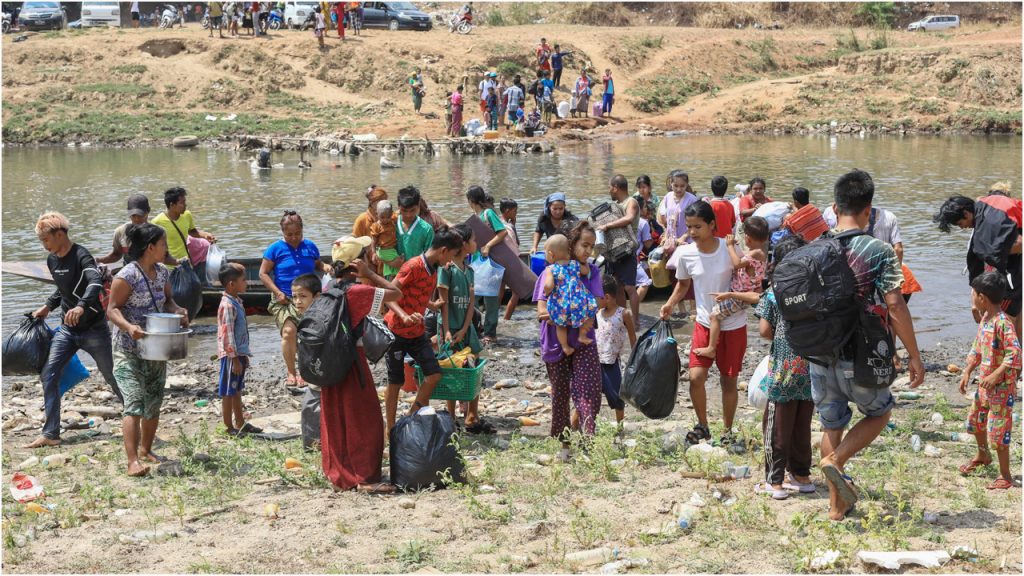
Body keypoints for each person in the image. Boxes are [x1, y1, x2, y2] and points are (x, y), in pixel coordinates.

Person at [810, 169, 925, 521]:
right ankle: (836, 460)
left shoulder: (815, 248)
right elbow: (895, 305)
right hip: (859, 353)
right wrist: (913, 356)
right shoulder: (879, 251)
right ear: (869, 209)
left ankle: (835, 508)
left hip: (818, 352)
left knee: (832, 424)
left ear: (834, 206)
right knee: (880, 411)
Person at [25, 213, 124, 449]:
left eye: (46, 239)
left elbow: (94, 283)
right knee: (49, 374)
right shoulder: (52, 260)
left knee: (111, 375)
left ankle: (137, 416)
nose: (44, 245)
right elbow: (63, 290)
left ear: (60, 235)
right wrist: (47, 306)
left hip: (94, 329)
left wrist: (81, 307)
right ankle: (51, 434)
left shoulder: (81, 255)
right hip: (67, 331)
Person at [659, 202, 747, 453]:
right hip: (704, 323)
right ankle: (702, 425)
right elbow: (683, 285)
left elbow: (745, 276)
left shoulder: (728, 248)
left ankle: (728, 431)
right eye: (689, 227)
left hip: (733, 323)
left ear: (712, 225)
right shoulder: (686, 253)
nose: (693, 232)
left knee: (728, 381)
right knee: (696, 377)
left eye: (698, 226)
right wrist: (669, 304)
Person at [106, 224, 190, 476]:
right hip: (128, 348)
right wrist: (129, 327)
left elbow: (168, 301)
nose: (167, 249)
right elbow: (111, 309)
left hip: (156, 347)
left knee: (154, 400)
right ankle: (132, 461)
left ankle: (146, 449)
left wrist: (178, 311)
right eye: (164, 244)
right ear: (150, 247)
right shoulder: (127, 275)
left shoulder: (163, 273)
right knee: (133, 402)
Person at [320, 236, 403, 494]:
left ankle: (340, 475)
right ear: (358, 263)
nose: (371, 257)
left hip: (329, 362)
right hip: (352, 362)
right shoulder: (358, 292)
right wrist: (372, 274)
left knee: (336, 418)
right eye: (367, 255)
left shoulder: (328, 288)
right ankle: (365, 478)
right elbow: (397, 293)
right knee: (365, 420)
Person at [750, 235, 815, 500]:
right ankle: (802, 476)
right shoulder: (815, 290)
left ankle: (774, 482)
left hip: (785, 368)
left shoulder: (775, 292)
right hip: (812, 367)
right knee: (802, 423)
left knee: (776, 423)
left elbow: (765, 330)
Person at [533, 221, 604, 461]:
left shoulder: (591, 272)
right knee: (560, 395)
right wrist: (564, 314)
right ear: (571, 245)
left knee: (589, 392)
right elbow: (541, 309)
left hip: (584, 341)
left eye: (592, 247)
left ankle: (588, 440)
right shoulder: (548, 272)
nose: (588, 252)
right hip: (555, 342)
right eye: (584, 245)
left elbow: (597, 304)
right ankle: (564, 446)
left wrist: (565, 314)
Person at [383, 227, 464, 432]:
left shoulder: (434, 269)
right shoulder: (413, 266)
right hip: (396, 331)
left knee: (434, 375)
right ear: (443, 251)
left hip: (417, 331)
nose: (450, 262)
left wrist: (430, 305)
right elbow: (389, 294)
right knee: (396, 382)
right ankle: (390, 428)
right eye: (452, 256)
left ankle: (410, 417)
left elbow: (414, 292)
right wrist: (403, 315)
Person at [958, 271, 1020, 490]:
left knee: (998, 430)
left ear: (982, 297)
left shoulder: (1003, 323)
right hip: (984, 386)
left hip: (1001, 389)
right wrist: (967, 370)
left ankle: (1005, 475)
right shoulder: (985, 319)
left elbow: (1015, 354)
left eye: (973, 293)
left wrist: (996, 374)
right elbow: (978, 348)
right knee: (976, 422)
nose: (972, 297)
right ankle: (982, 456)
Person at [934, 191, 1022, 337]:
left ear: (966, 213)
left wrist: (997, 251)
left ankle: (1008, 354)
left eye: (959, 223)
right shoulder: (982, 208)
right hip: (1012, 264)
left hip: (1014, 268)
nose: (961, 227)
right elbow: (976, 262)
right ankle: (1017, 353)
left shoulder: (991, 222)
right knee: (1015, 313)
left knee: (1008, 315)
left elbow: (1019, 243)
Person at [258, 210, 330, 390]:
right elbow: (263, 273)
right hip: (285, 298)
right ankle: (291, 372)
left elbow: (317, 264)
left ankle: (307, 370)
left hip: (310, 298)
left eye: (297, 233)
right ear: (282, 232)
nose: (294, 238)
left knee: (310, 335)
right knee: (289, 332)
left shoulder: (310, 247)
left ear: (302, 230)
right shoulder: (275, 249)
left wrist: (325, 266)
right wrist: (277, 292)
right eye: (289, 234)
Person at [438, 224, 493, 434]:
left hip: (466, 327)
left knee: (474, 366)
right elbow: (443, 303)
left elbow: (472, 303)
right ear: (463, 244)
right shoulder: (447, 270)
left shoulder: (469, 271)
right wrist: (448, 331)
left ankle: (472, 414)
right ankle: (451, 416)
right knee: (452, 371)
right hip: (450, 327)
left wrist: (465, 327)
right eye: (473, 241)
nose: (476, 244)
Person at [694, 217, 769, 359]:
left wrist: (729, 245)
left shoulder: (755, 253)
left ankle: (711, 348)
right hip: (742, 292)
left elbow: (736, 263)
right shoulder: (760, 253)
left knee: (714, 316)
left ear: (747, 238)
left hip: (740, 297)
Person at [216, 262, 260, 436]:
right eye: (243, 280)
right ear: (231, 284)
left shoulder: (236, 301)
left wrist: (243, 355)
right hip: (230, 356)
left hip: (238, 353)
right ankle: (228, 426)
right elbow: (227, 335)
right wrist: (234, 358)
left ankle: (240, 422)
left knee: (236, 388)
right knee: (228, 391)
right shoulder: (227, 305)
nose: (246, 283)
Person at [540, 235, 598, 357]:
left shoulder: (550, 269)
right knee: (589, 312)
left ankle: (565, 347)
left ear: (551, 254)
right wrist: (586, 265)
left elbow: (549, 285)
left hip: (561, 303)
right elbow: (586, 272)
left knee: (560, 326)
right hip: (578, 301)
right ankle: (582, 336)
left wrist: (546, 291)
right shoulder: (575, 264)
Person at [596, 175, 641, 323]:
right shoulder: (615, 205)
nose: (609, 191)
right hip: (613, 252)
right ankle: (623, 320)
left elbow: (628, 218)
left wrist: (607, 225)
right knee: (617, 287)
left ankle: (635, 321)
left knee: (629, 287)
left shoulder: (631, 202)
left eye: (610, 187)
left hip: (627, 250)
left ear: (615, 187)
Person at [466, 186, 507, 344]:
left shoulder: (488, 213)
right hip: (476, 262)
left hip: (490, 262)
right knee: (473, 297)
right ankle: (476, 328)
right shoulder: (475, 217)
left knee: (490, 298)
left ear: (471, 200)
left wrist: (488, 246)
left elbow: (502, 232)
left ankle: (490, 332)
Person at [595, 275, 637, 428]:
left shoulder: (624, 314)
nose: (595, 300)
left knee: (616, 397)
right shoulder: (597, 314)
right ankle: (580, 426)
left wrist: (635, 358)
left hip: (611, 362)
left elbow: (633, 337)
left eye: (597, 297)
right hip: (594, 361)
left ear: (606, 297)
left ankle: (620, 426)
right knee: (590, 395)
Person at [152, 187, 217, 281]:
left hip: (185, 265)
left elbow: (192, 231)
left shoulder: (187, 215)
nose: (185, 205)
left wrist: (206, 235)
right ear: (172, 205)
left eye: (185, 202)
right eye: (182, 203)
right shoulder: (157, 222)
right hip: (167, 269)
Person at [659, 170, 699, 318]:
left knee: (688, 276)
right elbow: (665, 219)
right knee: (674, 275)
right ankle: (681, 308)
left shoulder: (692, 200)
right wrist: (665, 235)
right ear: (671, 184)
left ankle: (693, 309)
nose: (678, 189)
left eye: (682, 186)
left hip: (687, 242)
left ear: (686, 185)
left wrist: (684, 236)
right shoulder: (668, 197)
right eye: (675, 185)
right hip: (671, 243)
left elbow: (697, 222)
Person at [98, 194, 152, 265]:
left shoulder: (157, 233)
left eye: (140, 215)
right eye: (133, 215)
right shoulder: (120, 231)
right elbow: (116, 254)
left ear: (148, 211)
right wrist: (99, 260)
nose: (136, 219)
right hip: (128, 272)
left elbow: (163, 257)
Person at [397, 186, 435, 263]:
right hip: (392, 273)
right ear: (398, 206)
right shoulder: (390, 224)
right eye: (404, 210)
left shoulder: (426, 229)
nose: (408, 214)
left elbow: (430, 257)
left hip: (416, 273)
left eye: (412, 210)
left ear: (418, 206)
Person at [500, 197, 521, 320]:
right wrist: (514, 226)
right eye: (515, 211)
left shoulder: (496, 223)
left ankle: (494, 317)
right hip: (511, 261)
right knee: (516, 292)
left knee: (500, 290)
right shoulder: (508, 226)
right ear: (507, 211)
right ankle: (506, 319)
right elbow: (516, 243)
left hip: (499, 260)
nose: (515, 214)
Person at [370, 200, 401, 279]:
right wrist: (373, 253)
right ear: (377, 214)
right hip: (384, 251)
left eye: (388, 217)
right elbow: (373, 241)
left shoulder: (392, 220)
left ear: (391, 214)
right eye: (382, 217)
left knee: (391, 270)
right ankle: (393, 282)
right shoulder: (377, 226)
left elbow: (398, 213)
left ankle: (390, 282)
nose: (385, 220)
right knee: (400, 262)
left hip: (391, 250)